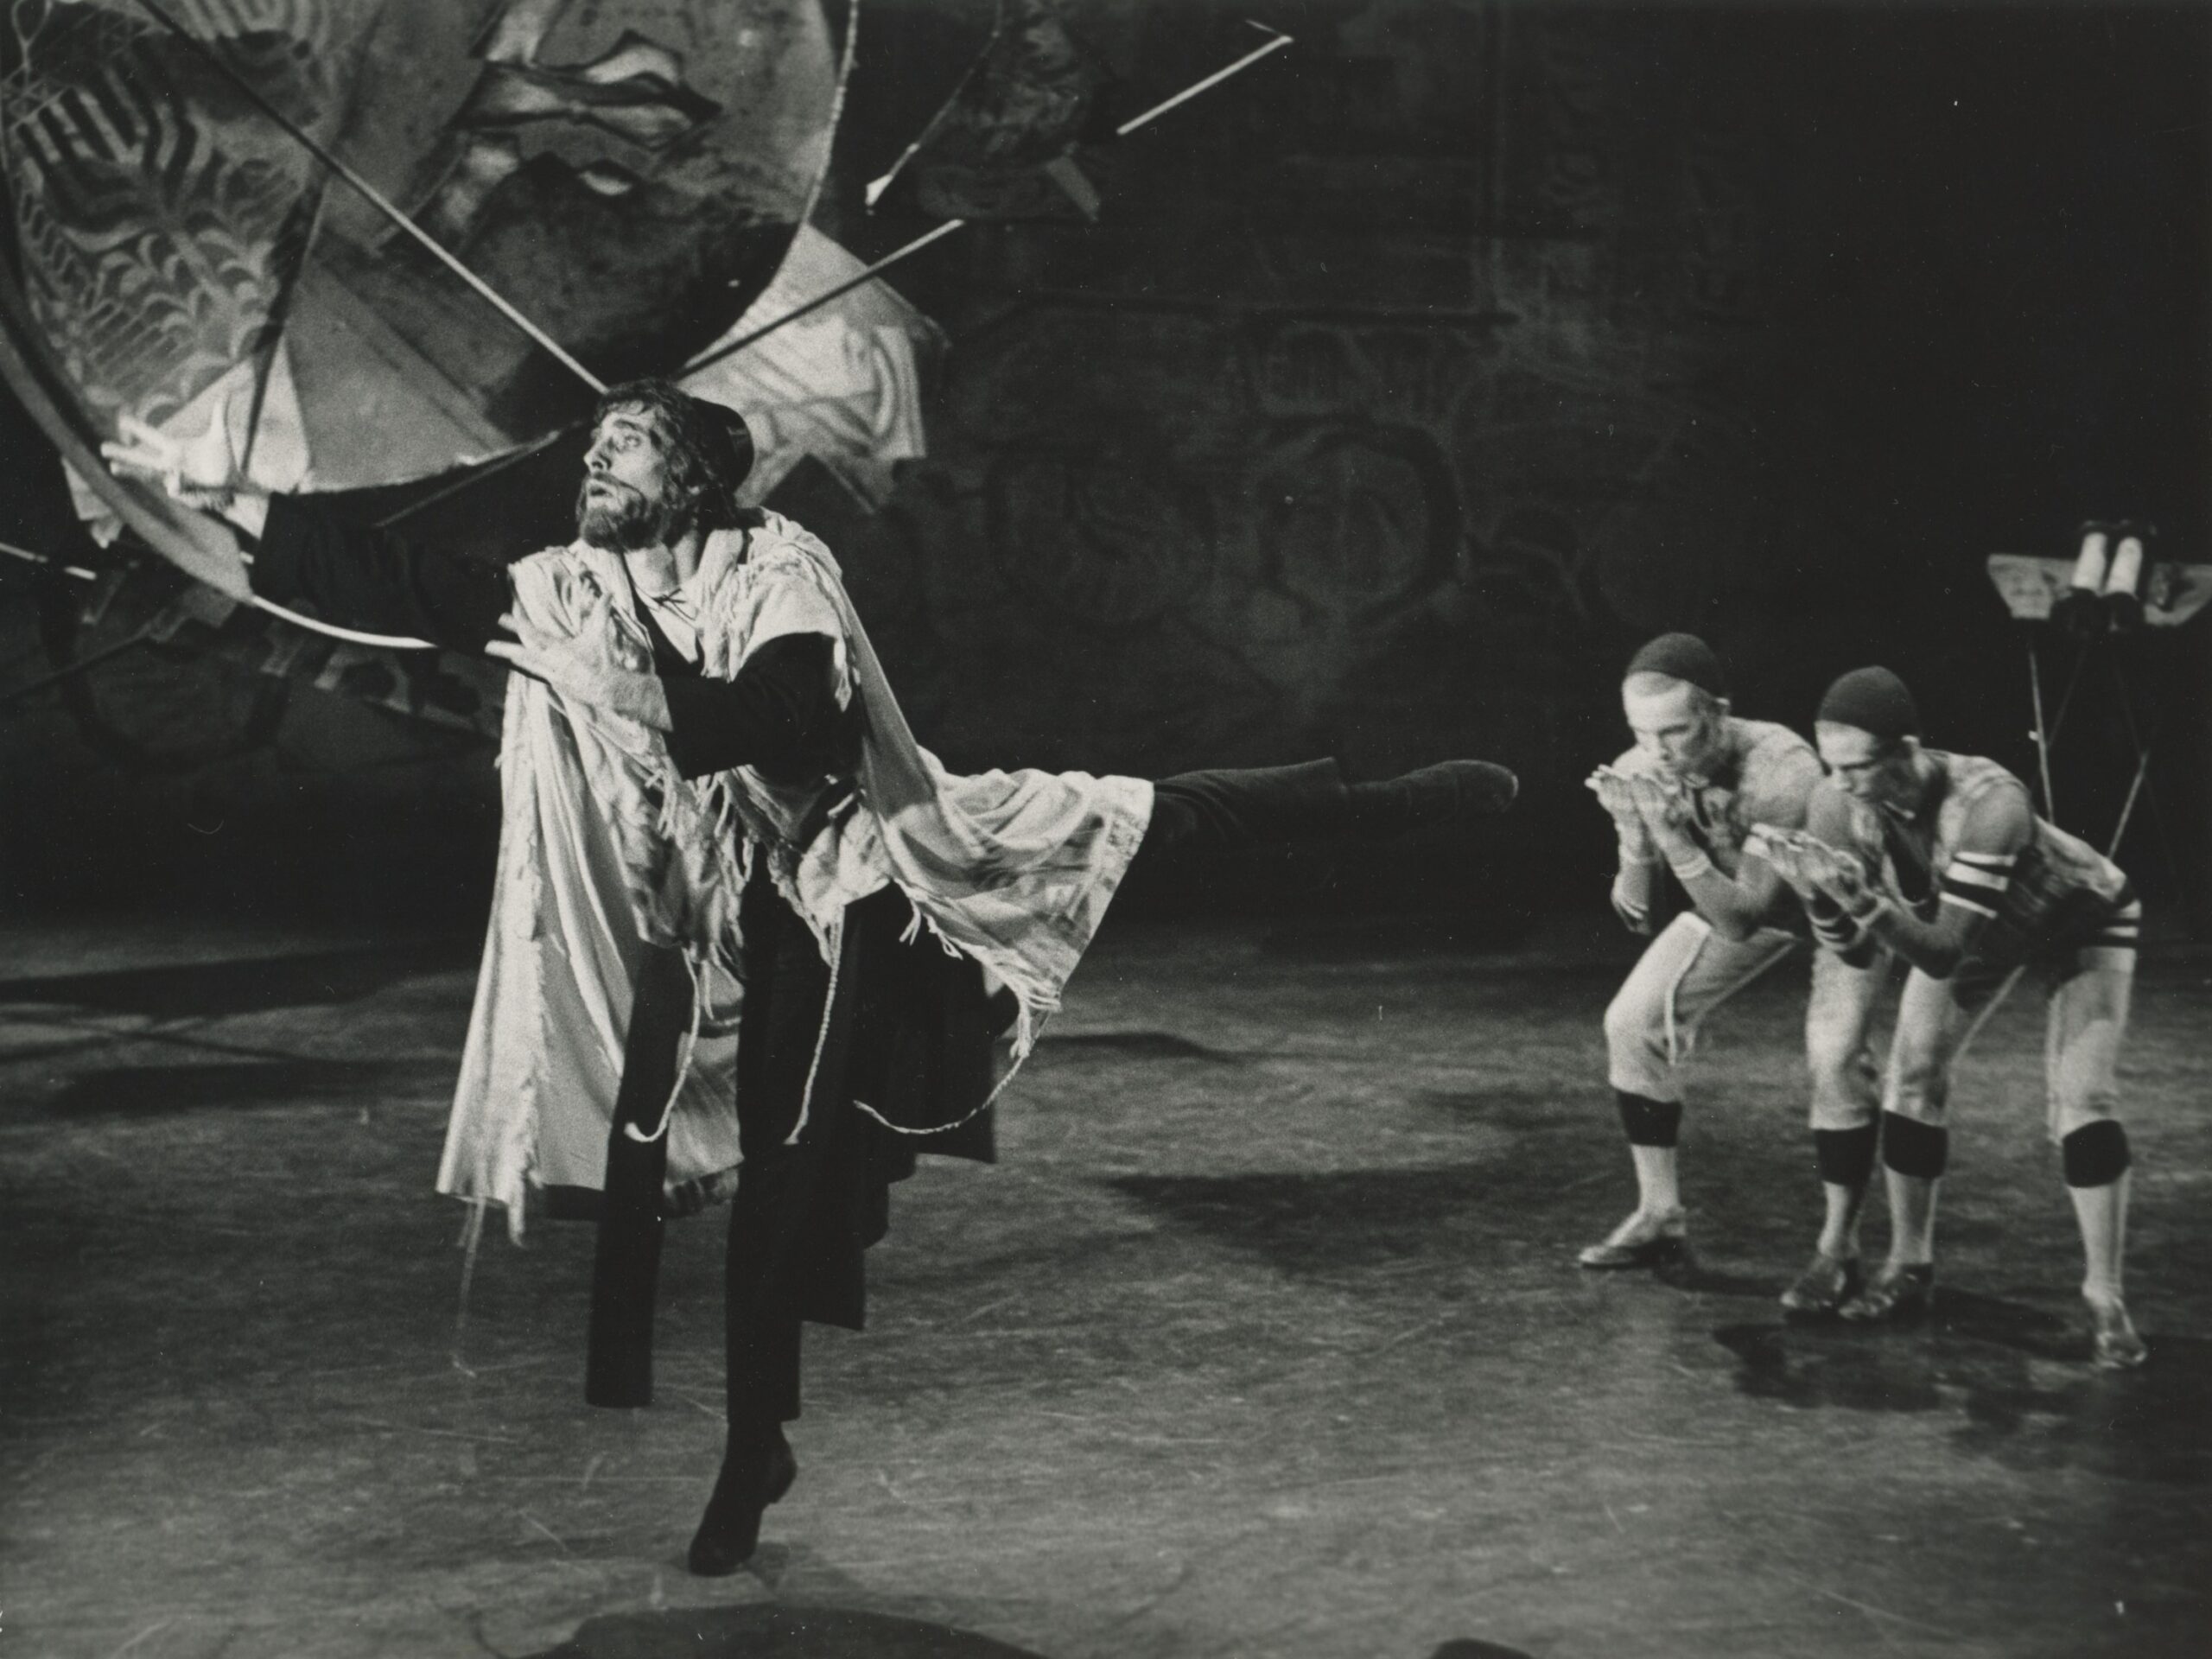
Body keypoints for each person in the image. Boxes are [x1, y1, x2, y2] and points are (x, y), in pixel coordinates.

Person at [105, 381, 1521, 1571]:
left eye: (632, 440)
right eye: (594, 440)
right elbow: (399, 579)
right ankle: (761, 1439)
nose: (597, 453)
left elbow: (788, 712)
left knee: (1144, 827)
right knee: (787, 1162)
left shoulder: (780, 567)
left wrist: (638, 693)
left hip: (872, 875)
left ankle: (1382, 808)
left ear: (707, 477)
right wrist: (211, 510)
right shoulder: (570, 588)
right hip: (748, 901)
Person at [1752, 666, 2146, 1369]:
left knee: (2084, 1097)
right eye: (1832, 766)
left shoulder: (1991, 801)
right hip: (1986, 933)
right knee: (1912, 1077)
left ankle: (2105, 1295)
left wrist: (1865, 900)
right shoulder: (1836, 803)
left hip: (2080, 918)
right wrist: (1819, 897)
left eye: (1859, 767)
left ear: (1908, 750)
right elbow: (1850, 947)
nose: (1840, 784)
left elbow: (1939, 953)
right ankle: (1910, 1262)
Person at [1580, 635, 1881, 1315]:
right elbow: (1634, 910)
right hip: (1743, 897)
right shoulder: (1642, 762)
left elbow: (1747, 917)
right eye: (1640, 732)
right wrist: (1633, 835)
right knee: (1630, 1024)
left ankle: (1839, 1250)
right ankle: (1660, 1214)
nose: (1657, 750)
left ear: (1718, 712)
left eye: (1676, 731)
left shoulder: (1781, 768)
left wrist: (1676, 840)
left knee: (1835, 1061)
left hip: (1841, 907)